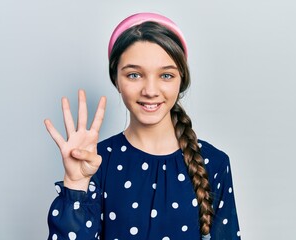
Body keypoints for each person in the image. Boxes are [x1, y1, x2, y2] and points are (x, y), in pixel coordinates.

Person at [45, 12, 241, 240]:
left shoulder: (214, 163)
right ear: (116, 79)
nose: (150, 90)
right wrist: (76, 184)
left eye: (166, 75)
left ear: (181, 80)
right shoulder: (95, 163)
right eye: (134, 75)